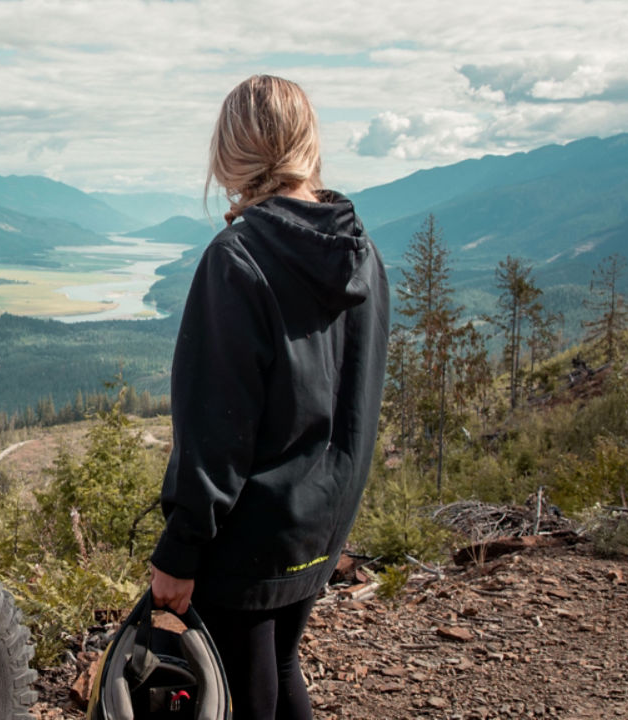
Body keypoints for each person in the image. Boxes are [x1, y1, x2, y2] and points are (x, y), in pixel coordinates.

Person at [148, 75, 389, 720]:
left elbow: (215, 429)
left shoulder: (238, 257)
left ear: (231, 155)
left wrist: (180, 548)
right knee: (278, 667)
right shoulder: (359, 251)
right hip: (321, 524)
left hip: (244, 539)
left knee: (242, 691)